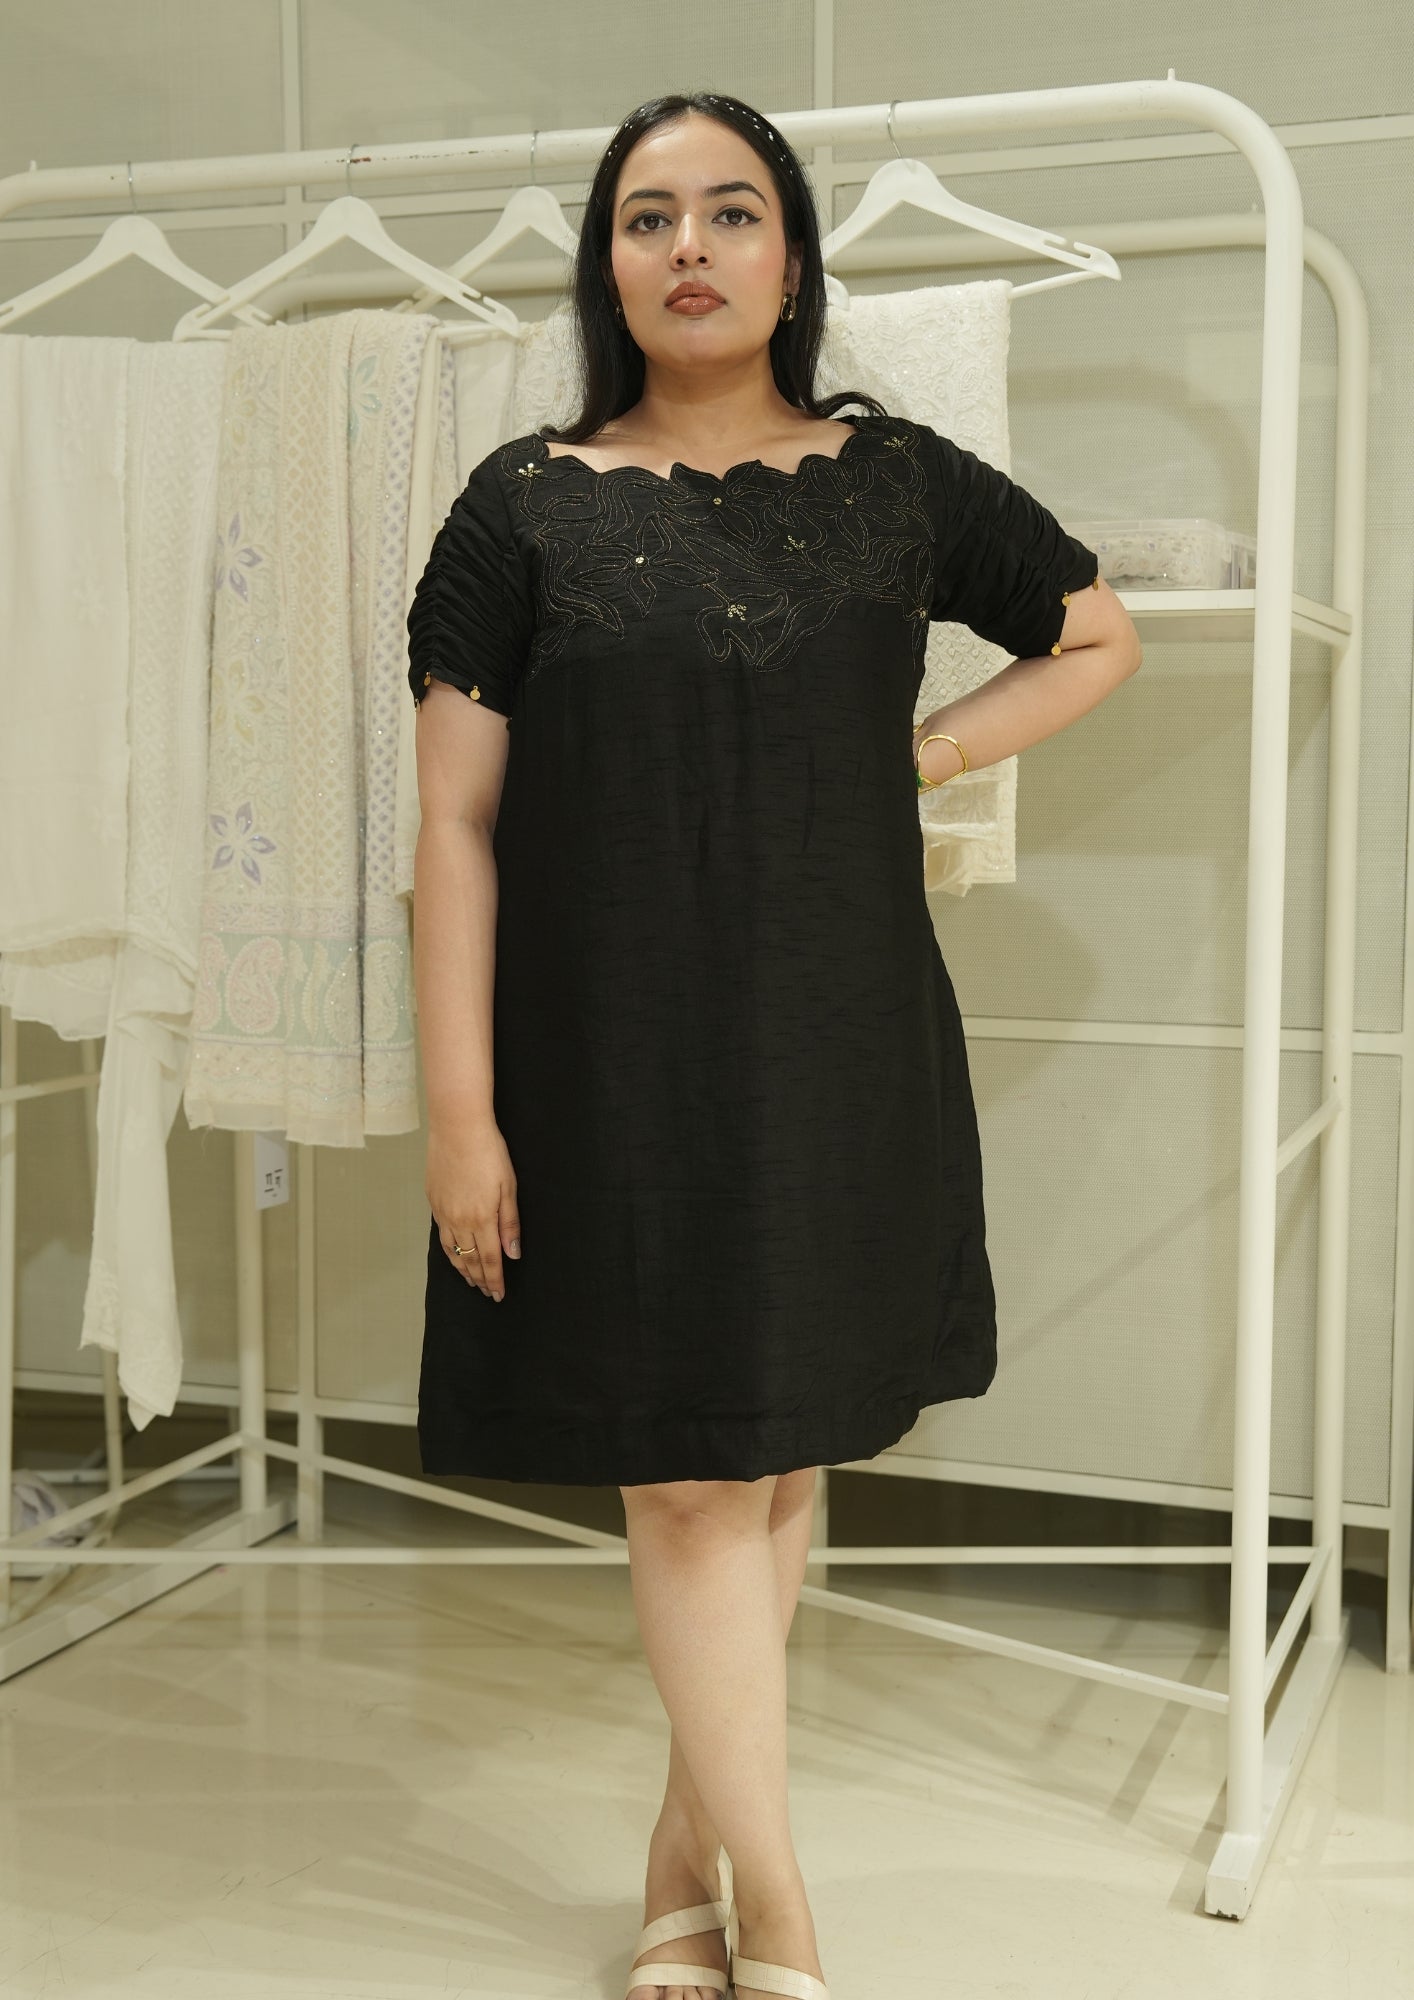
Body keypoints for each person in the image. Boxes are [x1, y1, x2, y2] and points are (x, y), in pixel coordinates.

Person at [407, 89, 1142, 2000]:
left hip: (836, 1045)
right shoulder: (521, 507)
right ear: (609, 263)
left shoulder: (892, 485)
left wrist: (914, 758)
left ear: (791, 254)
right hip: (603, 1064)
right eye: (649, 217)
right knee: (687, 1476)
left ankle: (682, 1865)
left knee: (772, 1456)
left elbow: (1093, 634)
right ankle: (783, 1913)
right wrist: (460, 1116)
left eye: (731, 211)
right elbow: (452, 832)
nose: (692, 248)